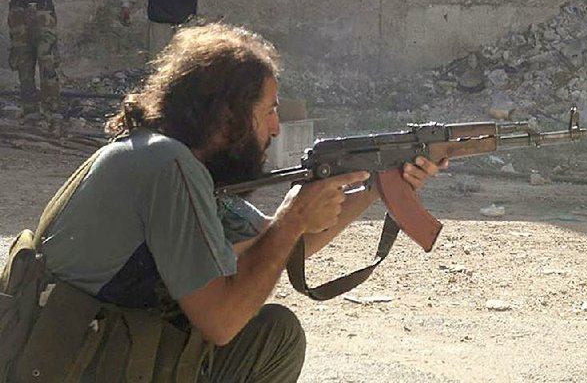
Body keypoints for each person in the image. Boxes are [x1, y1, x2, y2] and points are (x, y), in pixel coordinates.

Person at [34, 22, 446, 381]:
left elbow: (282, 243)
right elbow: (222, 322)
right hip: (71, 366)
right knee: (272, 340)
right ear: (227, 115)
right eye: (268, 111)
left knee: (271, 332)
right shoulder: (167, 167)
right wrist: (292, 219)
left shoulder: (170, 159)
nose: (276, 128)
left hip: (80, 355)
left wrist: (377, 184)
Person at [0, 0, 71, 127]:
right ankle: (30, 111)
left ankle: (52, 112)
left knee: (48, 63)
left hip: (43, 12)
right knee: (23, 63)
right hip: (18, 13)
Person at [120, 0, 201, 58]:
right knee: (159, 63)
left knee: (188, 63)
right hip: (159, 24)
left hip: (187, 24)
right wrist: (126, 6)